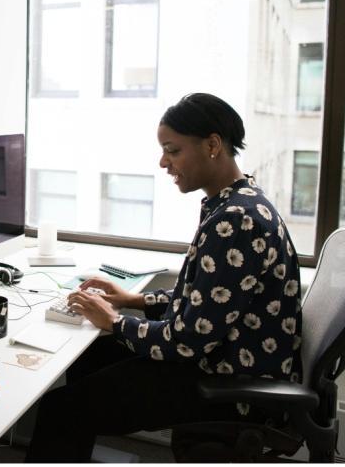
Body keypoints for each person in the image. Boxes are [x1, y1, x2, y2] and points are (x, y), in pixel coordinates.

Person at [25, 93, 303, 463]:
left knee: (61, 409)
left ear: (213, 145)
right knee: (89, 358)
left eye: (172, 150)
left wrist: (114, 321)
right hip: (219, 358)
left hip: (224, 382)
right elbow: (209, 297)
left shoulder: (236, 220)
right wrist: (133, 300)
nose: (163, 162)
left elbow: (188, 339)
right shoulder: (237, 201)